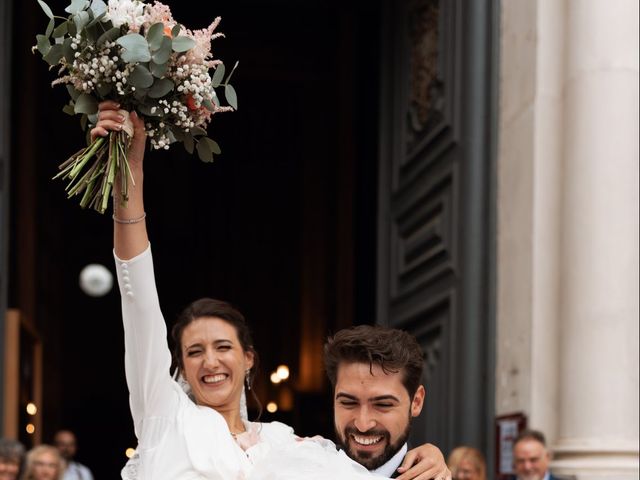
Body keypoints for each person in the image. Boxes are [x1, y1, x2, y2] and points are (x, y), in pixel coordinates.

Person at [95, 101, 449, 480]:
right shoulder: (163, 416)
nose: (210, 362)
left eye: (223, 347)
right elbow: (139, 301)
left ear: (249, 358)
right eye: (195, 352)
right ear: (178, 366)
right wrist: (128, 170)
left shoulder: (287, 444)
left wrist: (428, 460)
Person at [324, 326, 451, 479]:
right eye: (348, 402)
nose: (363, 424)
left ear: (416, 402)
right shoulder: (303, 464)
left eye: (383, 404)